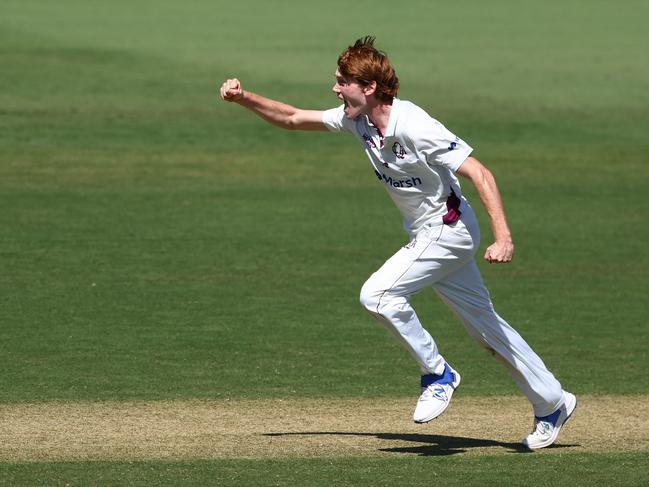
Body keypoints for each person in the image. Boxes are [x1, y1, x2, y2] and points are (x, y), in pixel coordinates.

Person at [219, 36, 576, 450]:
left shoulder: (416, 126)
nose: (335, 89)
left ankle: (438, 373)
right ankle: (552, 401)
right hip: (426, 233)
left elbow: (480, 173)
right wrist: (244, 98)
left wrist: (505, 238)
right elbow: (294, 118)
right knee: (486, 328)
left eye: (342, 82)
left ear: (368, 87)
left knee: (378, 295)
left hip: (448, 231)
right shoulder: (358, 120)